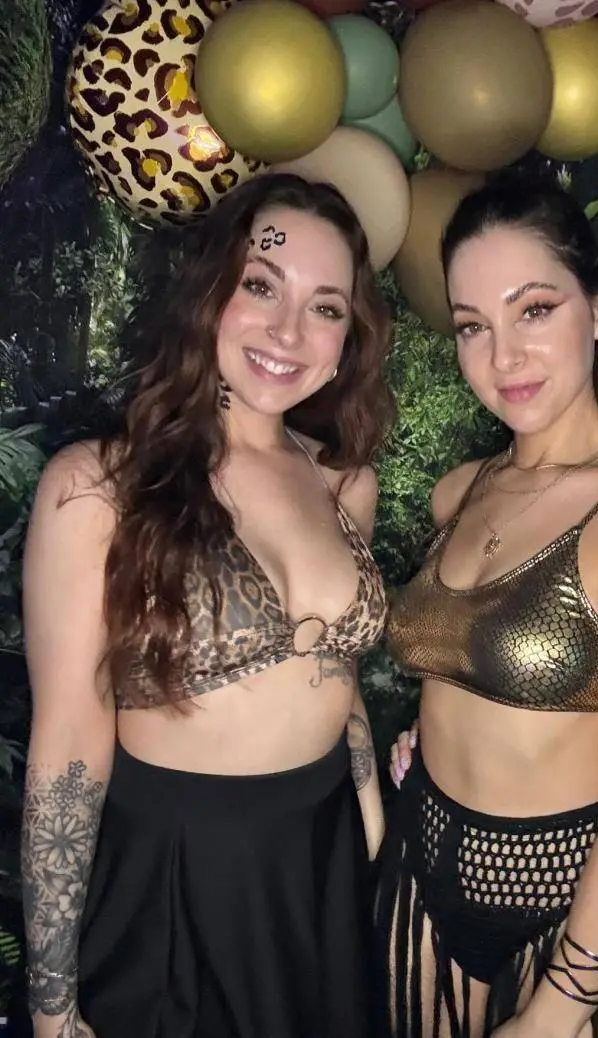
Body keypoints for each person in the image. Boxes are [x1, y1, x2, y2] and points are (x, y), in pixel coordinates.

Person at [20, 172, 393, 1038]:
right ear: (209, 292)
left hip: (323, 862)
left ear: (347, 338)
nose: (289, 331)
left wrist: (370, 814)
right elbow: (68, 747)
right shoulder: (100, 486)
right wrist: (51, 1004)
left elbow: (335, 670)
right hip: (174, 884)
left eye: (326, 307)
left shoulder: (345, 483)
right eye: (261, 285)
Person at [378, 172, 598, 1038]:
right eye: (473, 326)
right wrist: (431, 736)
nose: (503, 357)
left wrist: (555, 1015)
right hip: (419, 885)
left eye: (534, 309)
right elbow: (472, 660)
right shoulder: (461, 491)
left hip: (572, 916)